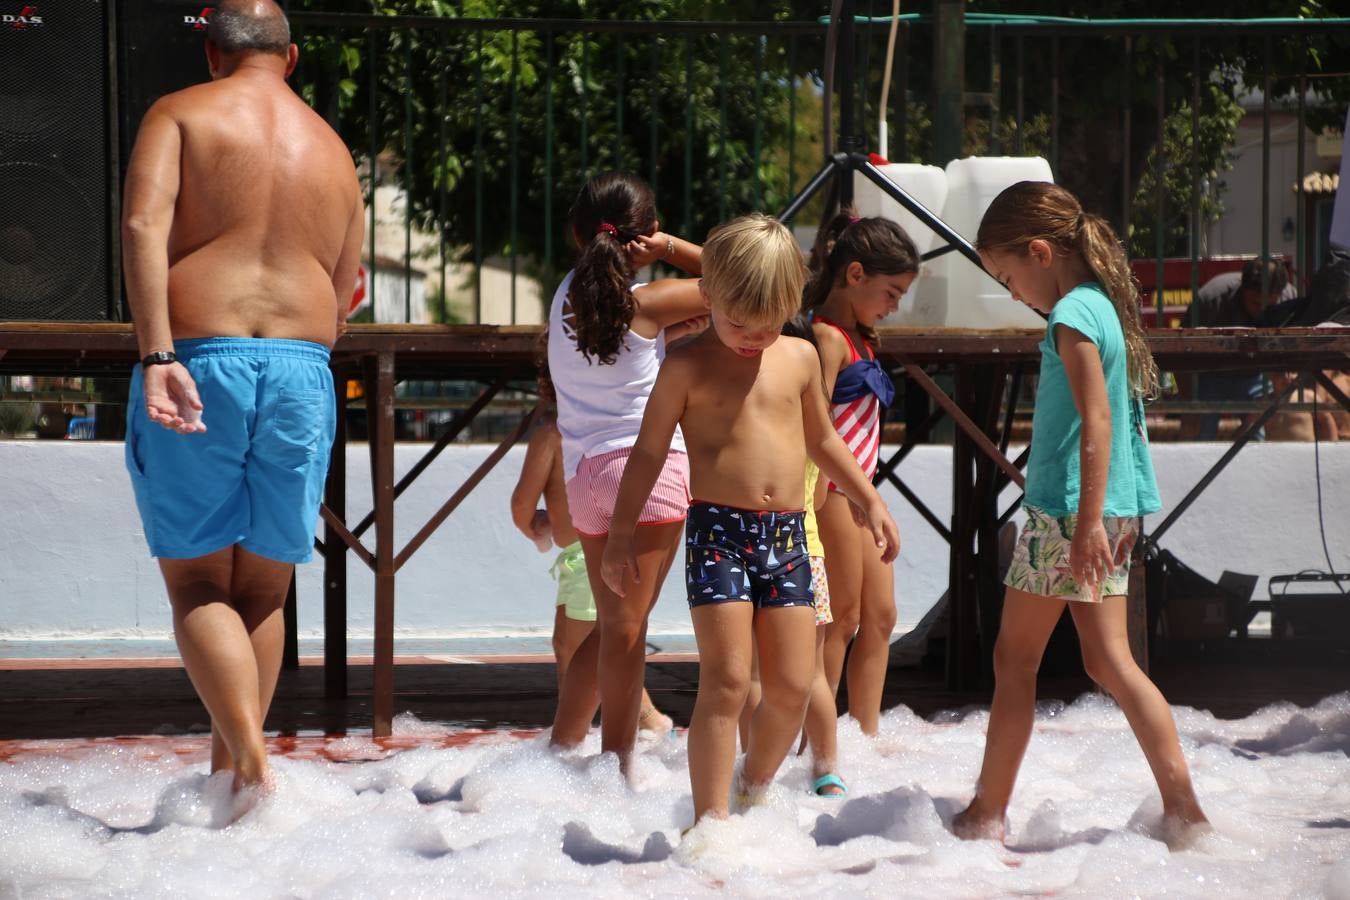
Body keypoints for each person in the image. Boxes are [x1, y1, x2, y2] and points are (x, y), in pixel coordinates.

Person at [120, 0, 364, 793]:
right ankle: (238, 784)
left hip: (198, 355)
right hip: (302, 365)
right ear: (291, 59)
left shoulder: (180, 114)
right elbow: (346, 288)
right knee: (264, 592)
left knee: (198, 583)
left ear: (211, 53)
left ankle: (248, 761)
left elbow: (140, 227)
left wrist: (156, 351)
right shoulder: (332, 148)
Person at [599, 215, 900, 824]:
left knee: (793, 685)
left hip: (787, 536)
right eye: (740, 323)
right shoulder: (685, 366)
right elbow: (650, 454)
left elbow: (823, 440)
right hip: (719, 534)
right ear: (708, 295)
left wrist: (870, 499)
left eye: (768, 326)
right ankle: (710, 823)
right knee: (729, 681)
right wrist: (621, 536)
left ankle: (753, 782)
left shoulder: (797, 357)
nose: (753, 338)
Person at [952, 182, 1208, 845]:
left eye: (1009, 277)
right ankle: (1185, 811)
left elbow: (1096, 417)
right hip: (1105, 508)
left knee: (1014, 660)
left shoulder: (1071, 315)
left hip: (1071, 513)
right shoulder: (1101, 306)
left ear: (1040, 252)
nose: (1013, 293)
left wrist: (1087, 522)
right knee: (1110, 663)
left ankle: (987, 812)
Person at [545, 172, 707, 767]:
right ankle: (616, 768)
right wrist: (669, 250)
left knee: (614, 624)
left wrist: (668, 331)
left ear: (576, 232)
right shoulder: (651, 300)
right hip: (645, 471)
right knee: (626, 632)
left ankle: (560, 748)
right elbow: (757, 281)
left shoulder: (568, 296)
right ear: (648, 232)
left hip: (583, 476)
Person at [509, 360, 673, 735]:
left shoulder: (552, 435)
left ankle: (586, 732)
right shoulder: (614, 429)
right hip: (607, 546)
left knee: (583, 646)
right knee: (596, 640)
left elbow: (522, 503)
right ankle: (622, 725)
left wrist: (535, 527)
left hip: (587, 555)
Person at [803, 211, 920, 736]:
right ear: (854, 276)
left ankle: (865, 736)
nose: (897, 305)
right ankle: (818, 741)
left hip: (858, 490)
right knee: (841, 618)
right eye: (892, 292)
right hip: (832, 492)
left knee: (881, 617)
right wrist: (854, 490)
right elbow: (817, 425)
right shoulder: (828, 338)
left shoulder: (860, 335)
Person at [1187, 257, 1294, 440]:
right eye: (1254, 303)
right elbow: (1183, 351)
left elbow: (1290, 362)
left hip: (1257, 378)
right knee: (1201, 435)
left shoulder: (1289, 299)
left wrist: (1255, 417)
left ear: (1279, 295)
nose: (1260, 311)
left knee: (1257, 438)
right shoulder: (1212, 298)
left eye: (1268, 306)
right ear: (1243, 289)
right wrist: (1190, 404)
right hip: (1210, 375)